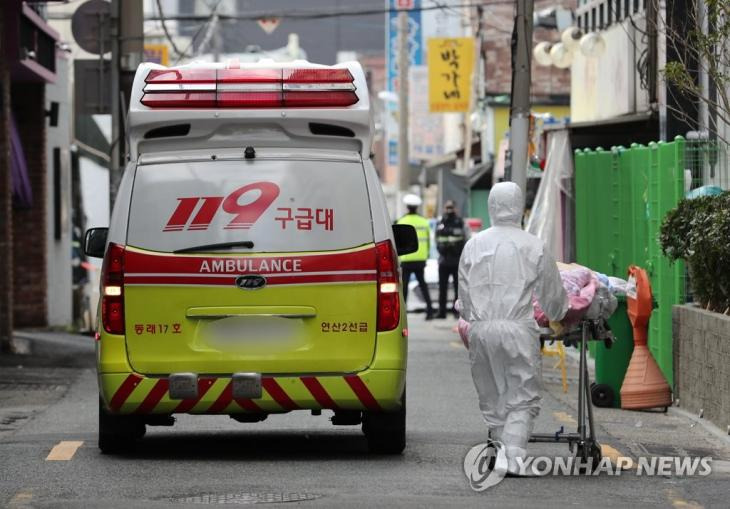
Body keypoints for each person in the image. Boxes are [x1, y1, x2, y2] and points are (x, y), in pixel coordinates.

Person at [458, 182, 568, 476]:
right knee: (522, 394)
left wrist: (474, 315)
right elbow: (553, 297)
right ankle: (513, 455)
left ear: (492, 206)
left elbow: (464, 300)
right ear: (519, 207)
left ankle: (499, 449)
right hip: (518, 328)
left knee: (492, 393)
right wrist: (559, 315)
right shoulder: (533, 244)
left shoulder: (474, 244)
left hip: (481, 328)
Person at [396, 194, 435, 320]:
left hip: (407, 260)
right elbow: (429, 242)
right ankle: (430, 311)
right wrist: (426, 255)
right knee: (423, 285)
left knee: (405, 288)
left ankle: (402, 315)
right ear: (417, 207)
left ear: (407, 207)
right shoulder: (424, 222)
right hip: (420, 260)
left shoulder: (401, 221)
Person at [435, 200, 466, 318]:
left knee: (457, 289)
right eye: (447, 207)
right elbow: (437, 239)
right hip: (443, 260)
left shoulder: (459, 222)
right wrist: (442, 249)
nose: (449, 209)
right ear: (444, 208)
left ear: (455, 208)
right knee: (442, 288)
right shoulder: (440, 222)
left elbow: (464, 239)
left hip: (456, 261)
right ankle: (441, 312)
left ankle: (456, 311)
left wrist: (456, 251)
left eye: (451, 207)